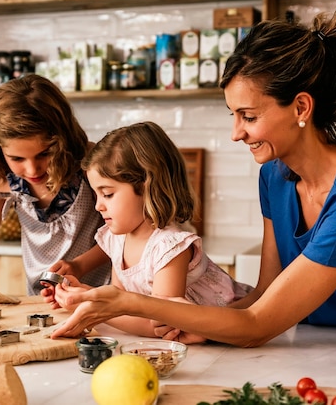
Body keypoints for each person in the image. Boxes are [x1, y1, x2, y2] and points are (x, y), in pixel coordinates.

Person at [50, 3, 336, 346]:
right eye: (233, 115)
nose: (236, 133)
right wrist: (198, 324)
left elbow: (257, 324)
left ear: (301, 108)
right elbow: (264, 294)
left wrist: (126, 303)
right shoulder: (275, 176)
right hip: (335, 343)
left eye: (248, 116)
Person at [43, 121, 253, 338]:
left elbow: (162, 327)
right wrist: (87, 297)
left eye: (107, 194)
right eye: (96, 195)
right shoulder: (117, 239)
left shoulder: (170, 247)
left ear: (147, 187)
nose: (98, 206)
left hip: (241, 328)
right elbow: (120, 300)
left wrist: (95, 307)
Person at [0, 74, 110, 300]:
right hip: (41, 302)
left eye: (44, 154)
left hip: (100, 298)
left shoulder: (90, 163)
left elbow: (121, 237)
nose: (32, 170)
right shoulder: (0, 179)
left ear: (63, 139)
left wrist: (78, 266)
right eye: (17, 159)